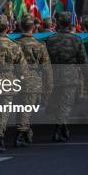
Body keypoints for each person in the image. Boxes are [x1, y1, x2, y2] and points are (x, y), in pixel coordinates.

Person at [0, 15, 28, 153]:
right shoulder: (14, 45)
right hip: (8, 80)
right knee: (3, 112)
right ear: (7, 28)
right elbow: (22, 68)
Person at [45, 12, 88, 142]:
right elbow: (83, 61)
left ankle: (62, 127)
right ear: (70, 24)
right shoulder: (76, 40)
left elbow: (46, 60)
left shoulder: (51, 40)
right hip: (69, 76)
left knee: (57, 103)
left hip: (54, 75)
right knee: (65, 104)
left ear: (58, 23)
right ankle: (60, 128)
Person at [15, 14, 53, 146]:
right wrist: (49, 86)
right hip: (33, 80)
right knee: (26, 108)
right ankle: (21, 133)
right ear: (33, 27)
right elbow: (47, 68)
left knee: (21, 107)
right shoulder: (40, 45)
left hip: (16, 79)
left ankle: (25, 131)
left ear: (21, 26)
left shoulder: (14, 44)